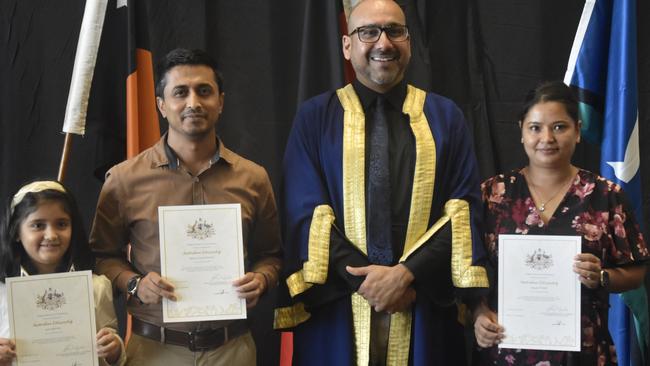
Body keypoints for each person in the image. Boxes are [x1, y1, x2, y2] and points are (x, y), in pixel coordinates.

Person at [275, 0, 489, 364]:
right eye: (368, 32)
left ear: (408, 40)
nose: (383, 43)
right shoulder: (315, 118)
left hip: (422, 304)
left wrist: (406, 276)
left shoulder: (444, 117)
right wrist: (370, 284)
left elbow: (463, 211)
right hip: (339, 307)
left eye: (395, 30)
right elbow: (305, 213)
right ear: (347, 45)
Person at [90, 48, 282, 366]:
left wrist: (261, 279)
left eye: (204, 91)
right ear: (162, 105)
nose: (193, 102)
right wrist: (135, 284)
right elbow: (102, 258)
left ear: (220, 101)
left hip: (232, 350)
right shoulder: (124, 179)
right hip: (154, 350)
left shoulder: (253, 178)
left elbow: (272, 256)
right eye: (180, 92)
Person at [473, 81, 649, 365]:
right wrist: (478, 315)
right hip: (506, 351)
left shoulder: (606, 196)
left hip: (584, 353)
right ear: (521, 131)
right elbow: (468, 271)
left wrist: (602, 276)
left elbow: (636, 271)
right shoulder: (492, 194)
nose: (547, 138)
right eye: (535, 127)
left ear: (578, 131)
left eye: (559, 127)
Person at [0, 180, 126, 366]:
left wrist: (114, 349)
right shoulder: (2, 291)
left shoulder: (96, 286)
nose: (51, 235)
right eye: (38, 225)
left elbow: (112, 354)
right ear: (17, 232)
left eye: (61, 224)